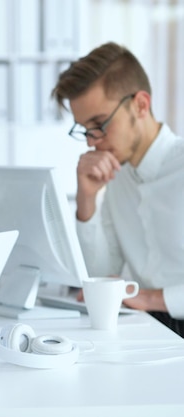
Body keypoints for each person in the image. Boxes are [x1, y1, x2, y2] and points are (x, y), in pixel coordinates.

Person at [52, 41, 184, 336]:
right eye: (85, 129)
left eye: (99, 124)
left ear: (140, 105)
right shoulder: (118, 176)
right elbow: (101, 274)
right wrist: (86, 199)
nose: (91, 141)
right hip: (146, 327)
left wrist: (152, 298)